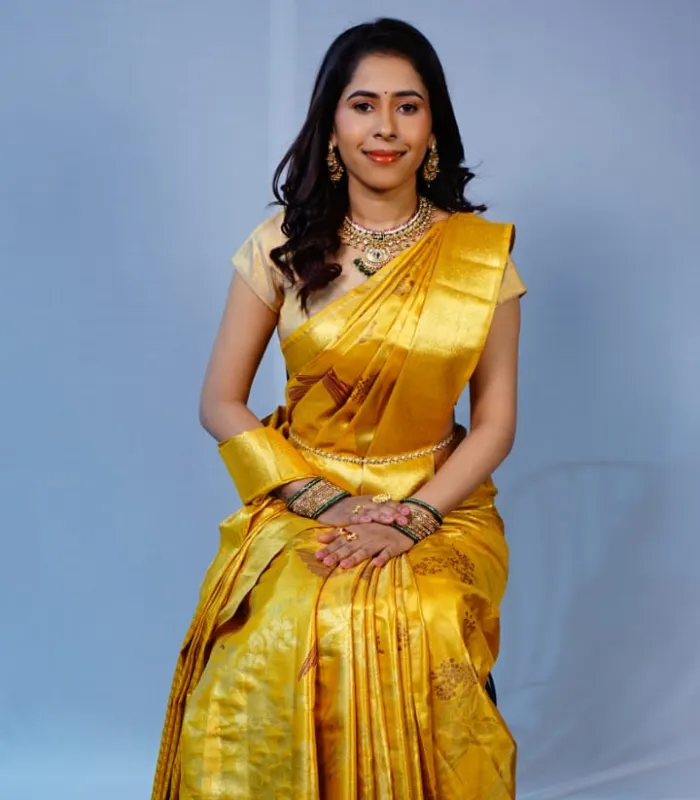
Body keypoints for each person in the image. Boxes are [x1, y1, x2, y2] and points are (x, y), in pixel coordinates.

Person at [150, 16, 526, 800]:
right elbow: (220, 402)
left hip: (439, 499)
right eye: (363, 105)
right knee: (291, 615)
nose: (385, 127)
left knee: (423, 611)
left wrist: (411, 517)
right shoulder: (279, 245)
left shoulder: (480, 257)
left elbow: (494, 426)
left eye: (407, 106)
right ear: (331, 125)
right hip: (302, 495)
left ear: (433, 128)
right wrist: (329, 502)